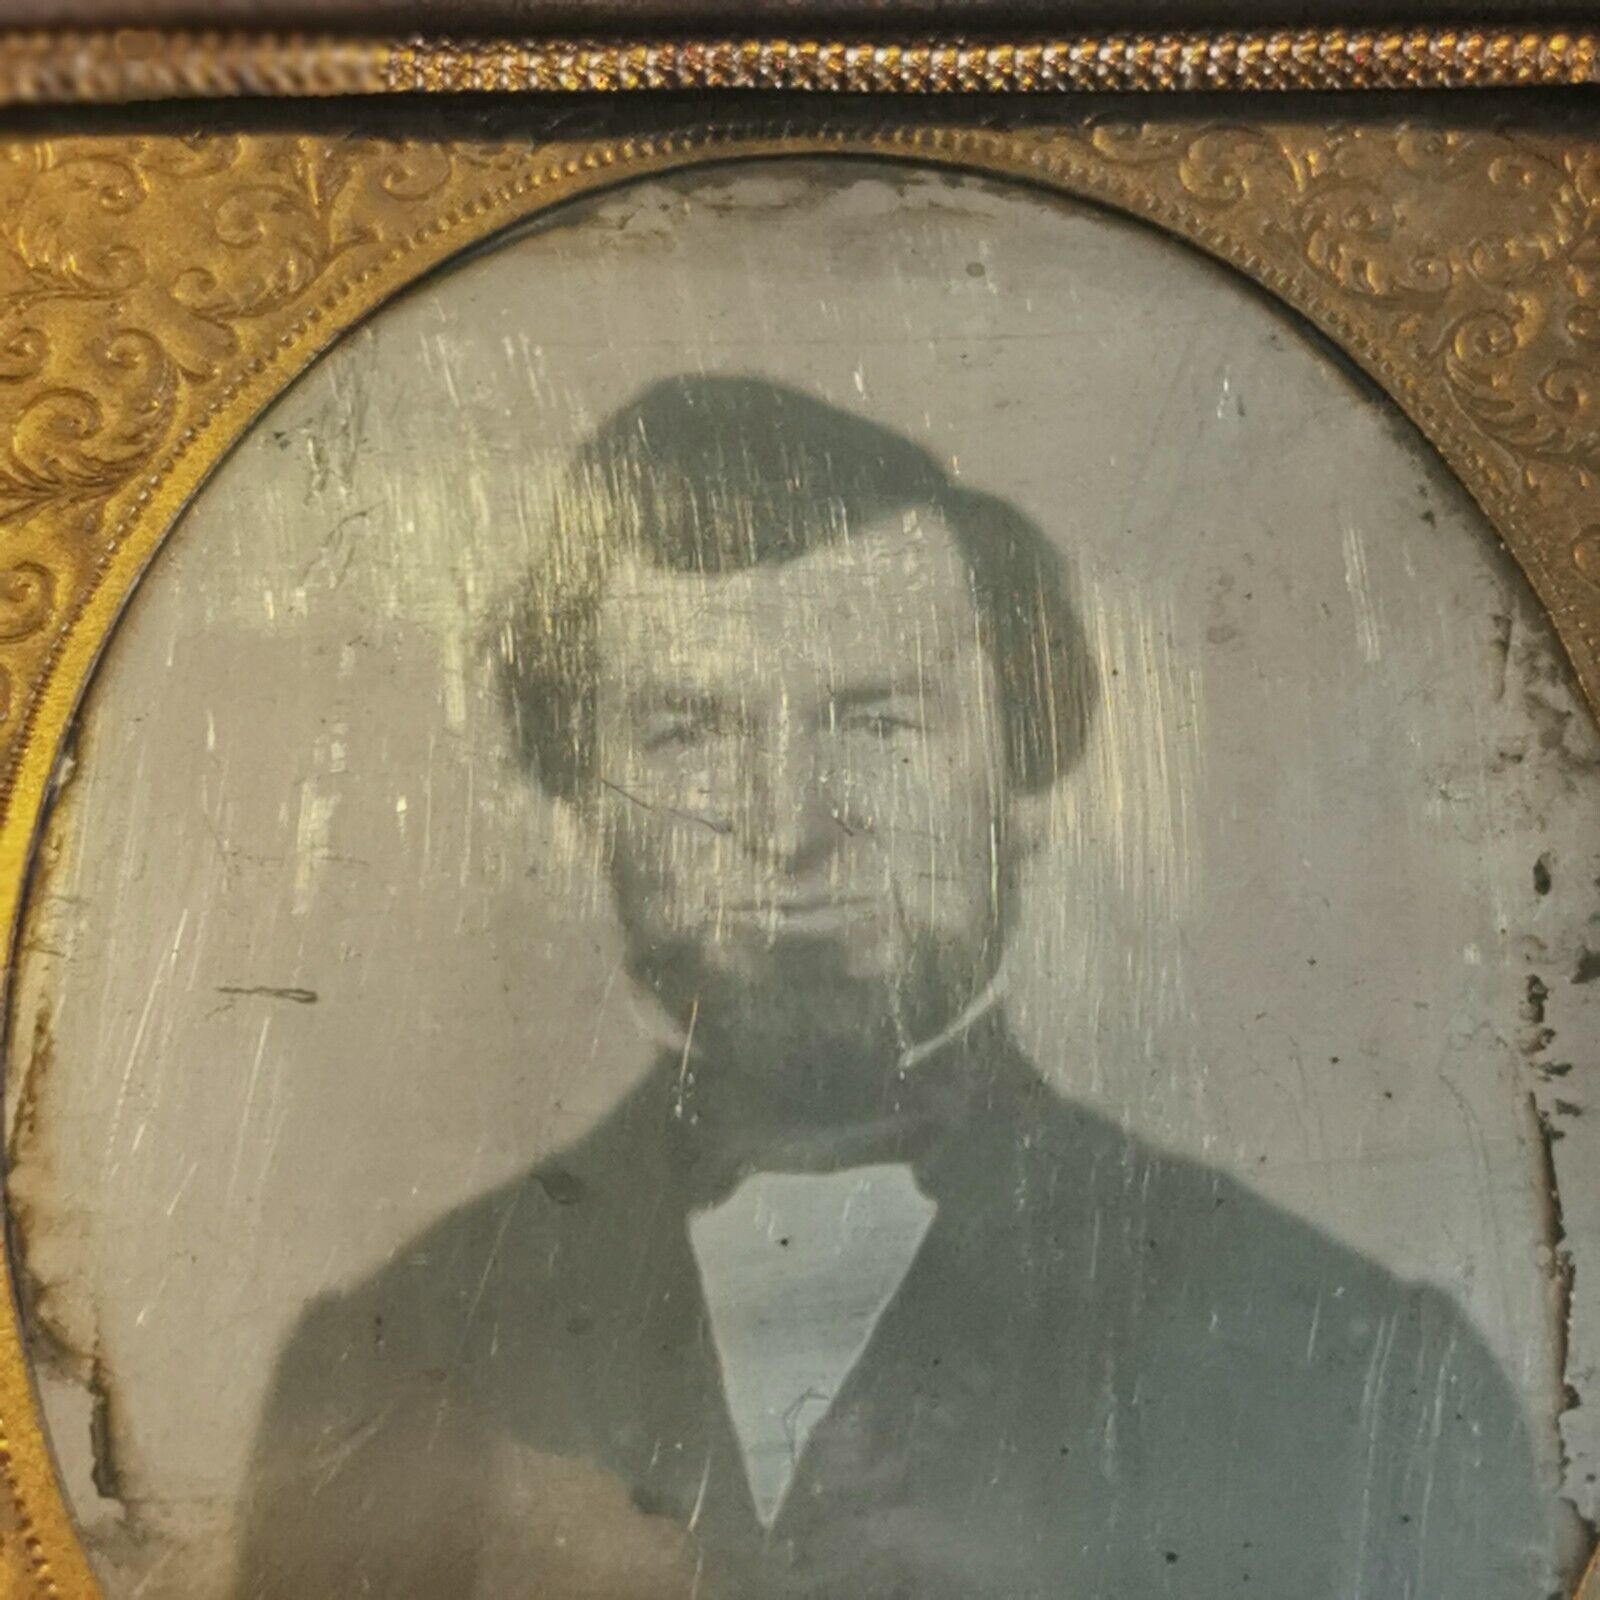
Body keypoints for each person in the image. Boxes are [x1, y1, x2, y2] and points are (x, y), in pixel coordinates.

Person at [235, 377, 1549, 1598]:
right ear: (583, 802)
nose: (790, 822)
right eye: (687, 733)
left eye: (879, 723)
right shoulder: (389, 1361)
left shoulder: (1357, 1372)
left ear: (1024, 780)